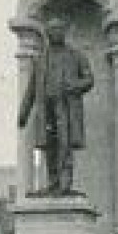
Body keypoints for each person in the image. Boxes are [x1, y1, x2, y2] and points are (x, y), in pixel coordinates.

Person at [18, 17, 94, 195]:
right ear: (47, 33)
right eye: (52, 30)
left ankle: (65, 184)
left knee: (64, 145)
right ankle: (53, 183)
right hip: (46, 108)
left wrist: (74, 85)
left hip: (65, 108)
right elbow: (31, 88)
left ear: (64, 32)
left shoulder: (76, 55)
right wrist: (23, 112)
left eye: (59, 29)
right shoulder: (41, 59)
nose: (56, 33)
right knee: (49, 147)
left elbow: (89, 79)